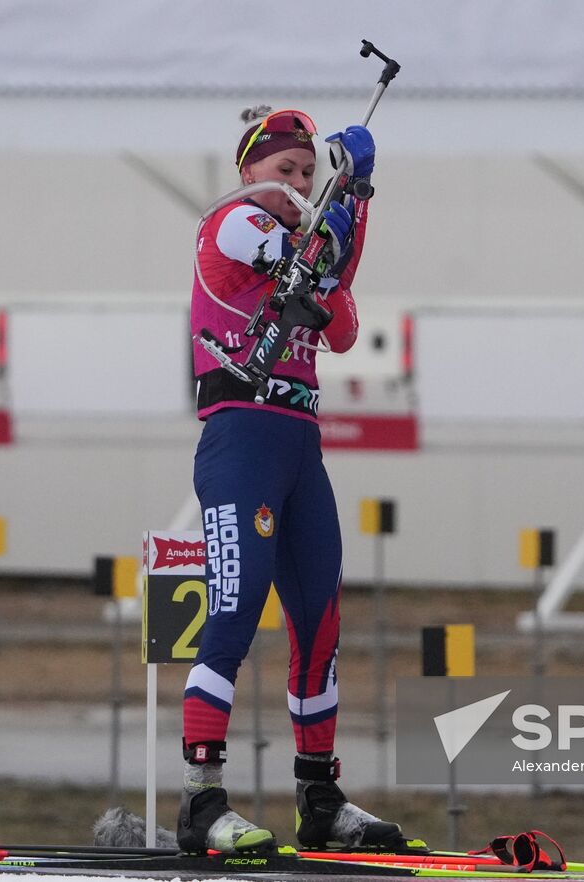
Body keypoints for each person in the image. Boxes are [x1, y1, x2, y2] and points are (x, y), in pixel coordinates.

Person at [179, 106, 406, 854]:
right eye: (287, 171)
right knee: (236, 611)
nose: (301, 185)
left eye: (311, 174)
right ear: (249, 171)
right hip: (242, 436)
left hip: (300, 443)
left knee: (320, 625)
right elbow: (312, 274)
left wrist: (357, 195)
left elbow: (340, 327)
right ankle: (202, 802)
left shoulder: (303, 235)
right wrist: (345, 211)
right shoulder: (233, 224)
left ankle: (319, 797)